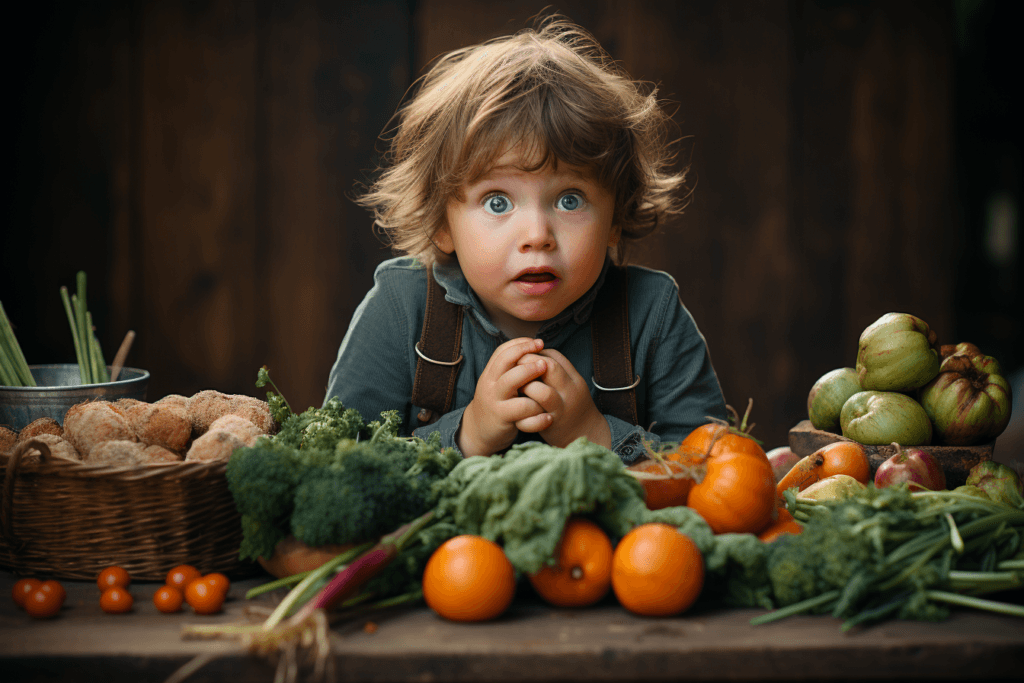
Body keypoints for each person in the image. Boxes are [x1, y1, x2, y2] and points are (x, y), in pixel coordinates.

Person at [325, 17, 726, 462]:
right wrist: (467, 436)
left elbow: (712, 471)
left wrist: (594, 434)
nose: (537, 236)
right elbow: (339, 463)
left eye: (570, 200)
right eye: (497, 202)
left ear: (615, 216)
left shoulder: (652, 314)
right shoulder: (400, 309)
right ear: (442, 222)